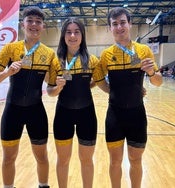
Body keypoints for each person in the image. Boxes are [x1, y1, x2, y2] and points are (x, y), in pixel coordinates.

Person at [0, 6, 55, 188]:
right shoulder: (10, 49)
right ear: (22, 24)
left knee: (42, 156)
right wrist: (8, 72)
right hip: (12, 111)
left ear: (43, 26)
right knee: (9, 158)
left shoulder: (49, 54)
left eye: (38, 22)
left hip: (36, 112)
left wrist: (61, 82)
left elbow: (51, 83)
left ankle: (43, 185)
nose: (34, 24)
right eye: (30, 21)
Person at [96, 7, 163, 188]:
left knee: (135, 159)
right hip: (114, 116)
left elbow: (158, 82)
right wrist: (115, 92)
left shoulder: (144, 50)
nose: (119, 27)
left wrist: (150, 72)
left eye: (122, 22)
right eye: (115, 24)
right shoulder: (106, 55)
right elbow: (100, 81)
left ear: (130, 24)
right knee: (115, 161)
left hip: (137, 115)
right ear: (110, 28)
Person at [46, 17, 109, 188]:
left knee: (87, 160)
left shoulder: (92, 61)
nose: (72, 36)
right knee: (63, 160)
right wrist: (57, 88)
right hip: (63, 115)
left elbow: (101, 83)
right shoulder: (55, 61)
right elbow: (50, 92)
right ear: (63, 36)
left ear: (82, 35)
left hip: (86, 115)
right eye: (68, 32)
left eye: (76, 32)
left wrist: (126, 91)